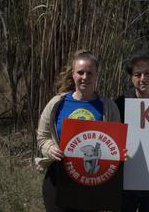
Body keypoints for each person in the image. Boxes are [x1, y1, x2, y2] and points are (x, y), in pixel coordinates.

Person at [36, 50, 121, 212]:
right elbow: (42, 136)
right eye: (80, 72)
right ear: (73, 74)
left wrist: (119, 151)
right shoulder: (57, 103)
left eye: (90, 73)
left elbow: (114, 143)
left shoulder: (108, 106)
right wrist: (49, 149)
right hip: (58, 178)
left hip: (92, 181)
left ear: (96, 75)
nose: (85, 77)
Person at [114, 50, 149, 212]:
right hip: (127, 178)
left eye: (148, 73)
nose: (143, 79)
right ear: (131, 77)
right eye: (137, 74)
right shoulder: (120, 103)